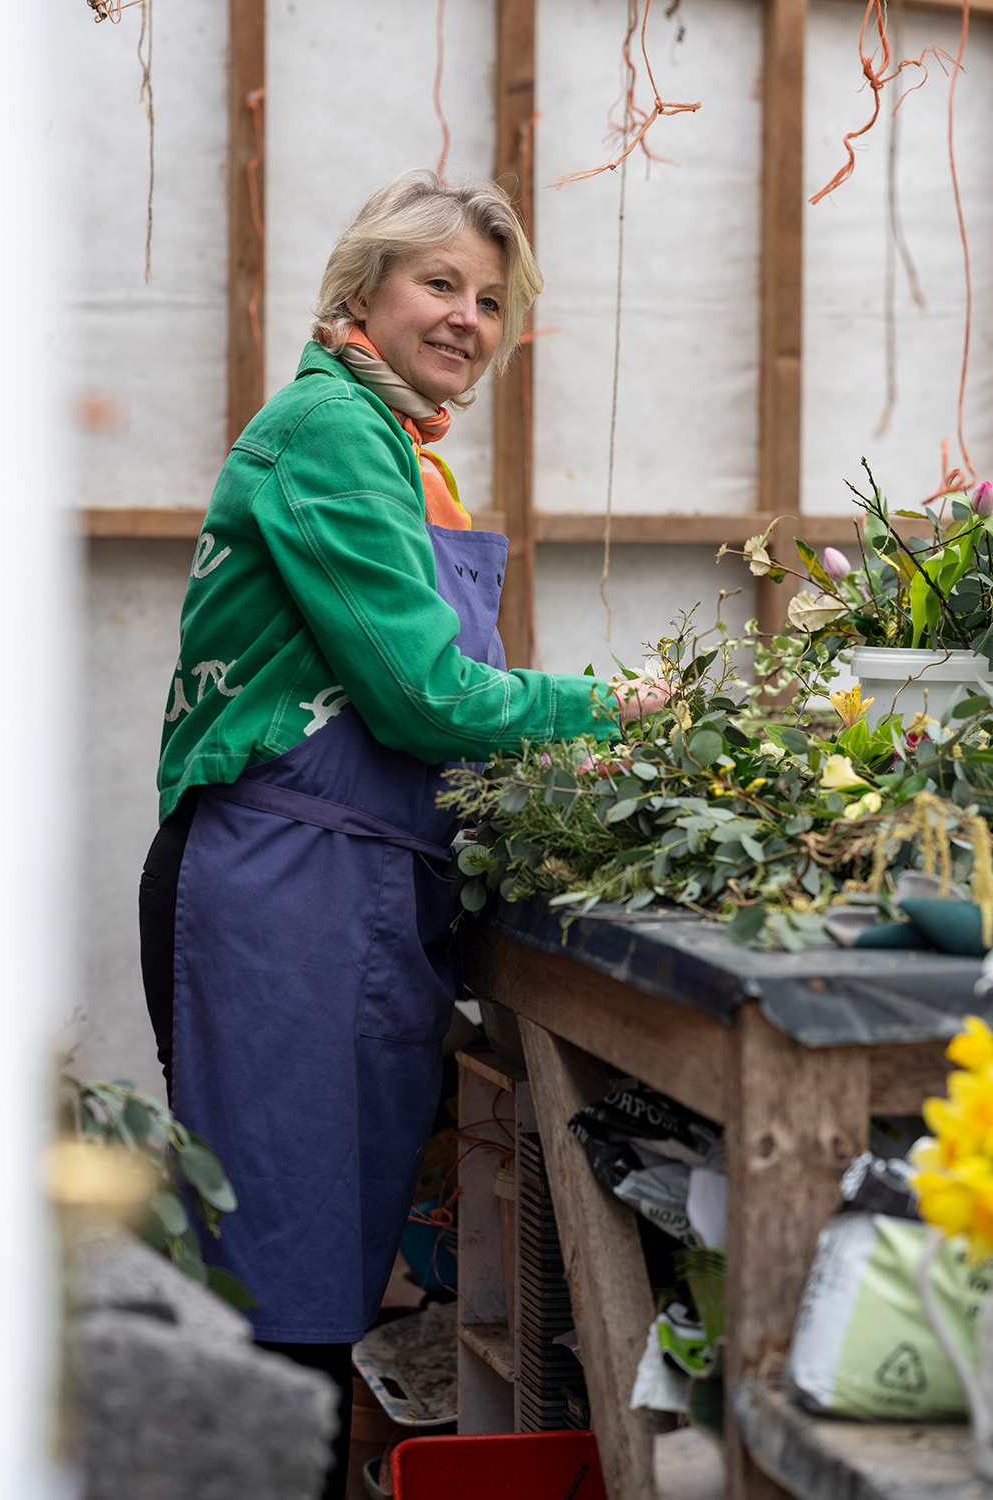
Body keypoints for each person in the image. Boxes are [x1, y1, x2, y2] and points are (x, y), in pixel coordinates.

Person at [139, 170, 666, 1496]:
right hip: (286, 889)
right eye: (440, 283)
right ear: (362, 290)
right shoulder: (331, 429)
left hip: (344, 888)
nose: (467, 318)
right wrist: (613, 708)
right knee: (283, 1303)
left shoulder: (397, 446)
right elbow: (423, 695)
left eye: (490, 300)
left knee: (321, 1281)